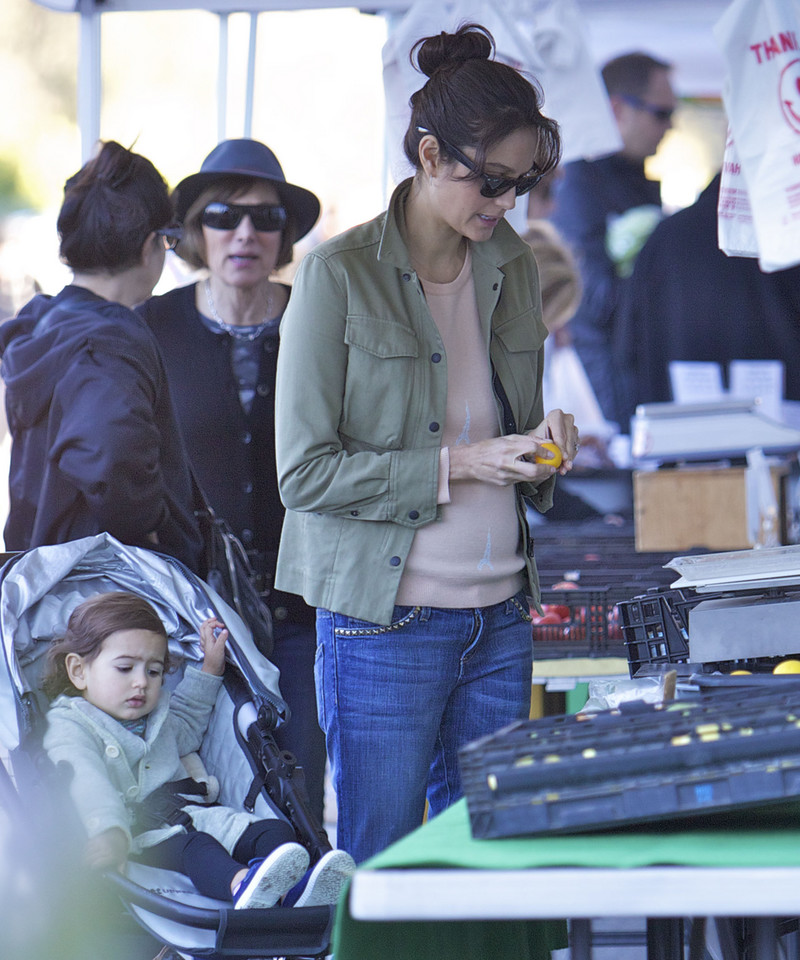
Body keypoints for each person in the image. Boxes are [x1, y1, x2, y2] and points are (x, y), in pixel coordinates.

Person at [274, 23, 580, 863]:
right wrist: (464, 465)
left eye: (520, 185)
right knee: (382, 867)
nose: (504, 203)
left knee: (488, 868)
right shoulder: (337, 275)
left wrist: (548, 440)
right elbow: (303, 474)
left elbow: (511, 418)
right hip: (385, 620)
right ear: (430, 152)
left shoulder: (512, 263)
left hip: (504, 612)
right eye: (490, 181)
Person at [136, 139, 328, 824]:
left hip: (307, 603)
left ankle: (305, 928)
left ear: (285, 236)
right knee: (207, 789)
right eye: (222, 215)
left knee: (300, 784)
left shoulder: (321, 317)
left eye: (265, 218)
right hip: (196, 615)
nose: (244, 233)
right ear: (194, 231)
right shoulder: (152, 326)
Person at [42, 591, 354, 908]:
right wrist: (110, 832)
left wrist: (211, 667)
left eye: (153, 671)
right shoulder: (71, 724)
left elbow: (190, 723)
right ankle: (241, 884)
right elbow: (86, 781)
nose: (141, 682)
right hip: (139, 834)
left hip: (198, 815)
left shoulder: (157, 715)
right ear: (79, 671)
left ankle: (295, 891)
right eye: (125, 668)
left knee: (274, 831)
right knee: (198, 848)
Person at [0, 141, 203, 573]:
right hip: (114, 590)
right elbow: (109, 454)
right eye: (168, 241)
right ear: (150, 244)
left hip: (49, 579)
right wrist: (149, 533)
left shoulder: (44, 322)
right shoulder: (108, 341)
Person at [551, 52, 676, 430]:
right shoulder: (580, 184)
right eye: (661, 113)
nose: (670, 127)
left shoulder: (636, 180)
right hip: (608, 385)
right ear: (618, 109)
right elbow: (591, 300)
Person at [616, 172, 800, 421]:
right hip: (785, 424)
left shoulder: (666, 237)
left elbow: (628, 343)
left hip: (678, 426)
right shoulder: (786, 238)